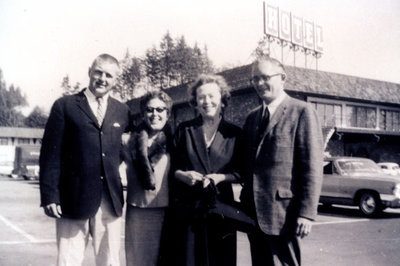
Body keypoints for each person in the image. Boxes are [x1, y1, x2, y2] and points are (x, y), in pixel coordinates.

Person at [39, 54, 132, 266]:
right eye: (98, 72)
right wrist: (50, 195)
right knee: (69, 261)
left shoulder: (122, 110)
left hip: (110, 200)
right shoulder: (65, 106)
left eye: (109, 75)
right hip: (72, 200)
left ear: (116, 80)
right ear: (89, 71)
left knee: (110, 261)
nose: (102, 78)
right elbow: (50, 154)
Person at [239, 57, 323, 266]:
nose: (259, 84)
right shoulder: (252, 118)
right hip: (254, 213)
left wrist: (307, 214)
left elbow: (311, 167)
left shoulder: (302, 112)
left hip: (284, 214)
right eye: (255, 79)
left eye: (265, 77)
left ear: (282, 78)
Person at [170, 74, 242, 266]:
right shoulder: (184, 130)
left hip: (222, 208)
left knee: (221, 259)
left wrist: (221, 177)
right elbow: (172, 169)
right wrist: (183, 175)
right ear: (195, 102)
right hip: (189, 208)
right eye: (201, 97)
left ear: (222, 99)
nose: (206, 101)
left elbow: (242, 172)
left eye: (212, 96)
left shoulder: (235, 133)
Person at [123, 91, 173, 266]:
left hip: (169, 211)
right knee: (138, 260)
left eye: (160, 110)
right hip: (139, 209)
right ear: (143, 113)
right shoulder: (128, 140)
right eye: (149, 110)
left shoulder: (176, 140)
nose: (155, 115)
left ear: (168, 113)